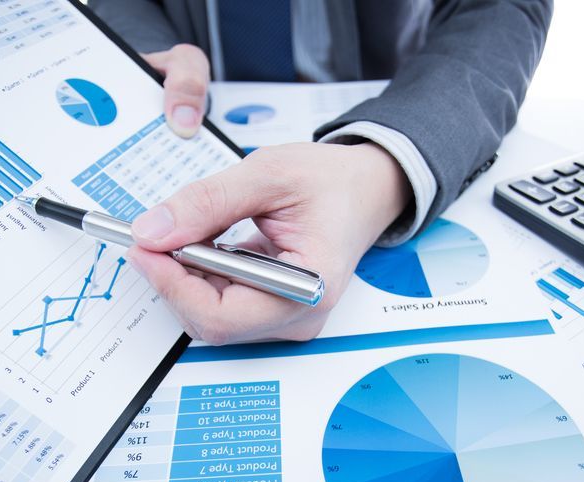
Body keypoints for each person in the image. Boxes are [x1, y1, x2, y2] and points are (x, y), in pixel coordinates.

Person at [91, 0, 552, 345]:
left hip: (393, 103)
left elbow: (498, 9)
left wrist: (379, 168)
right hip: (200, 125)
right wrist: (148, 53)